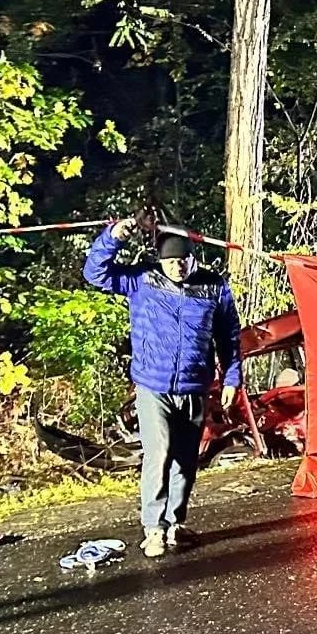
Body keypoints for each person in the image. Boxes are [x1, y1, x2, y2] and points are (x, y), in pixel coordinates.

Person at [85, 217, 240, 558]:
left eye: (183, 260)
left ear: (193, 257)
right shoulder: (143, 280)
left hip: (194, 385)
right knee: (160, 453)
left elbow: (229, 336)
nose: (178, 267)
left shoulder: (214, 287)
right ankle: (153, 528)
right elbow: (95, 273)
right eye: (171, 261)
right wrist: (113, 238)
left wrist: (231, 378)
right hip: (153, 385)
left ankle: (175, 524)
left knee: (186, 459)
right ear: (161, 261)